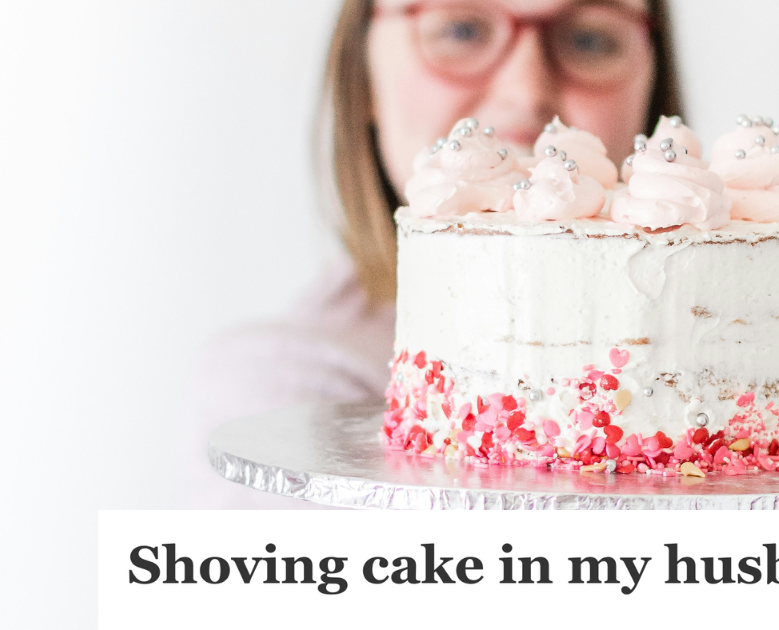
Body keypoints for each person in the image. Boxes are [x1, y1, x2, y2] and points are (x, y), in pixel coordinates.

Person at [186, 0, 684, 507]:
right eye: (462, 29)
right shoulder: (291, 393)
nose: (527, 91)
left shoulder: (721, 354)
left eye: (591, 39)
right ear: (363, 76)